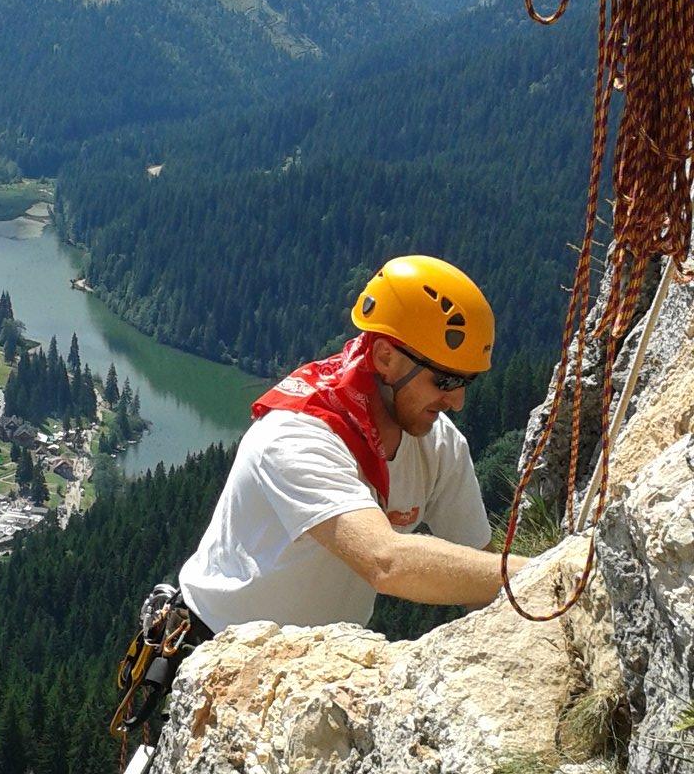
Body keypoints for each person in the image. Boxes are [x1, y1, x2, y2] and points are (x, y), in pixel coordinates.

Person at [178, 254, 526, 636]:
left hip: (324, 657)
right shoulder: (295, 434)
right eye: (444, 381)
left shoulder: (440, 445)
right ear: (385, 358)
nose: (457, 402)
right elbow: (385, 561)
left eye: (467, 382)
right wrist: (551, 570)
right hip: (218, 647)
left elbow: (483, 571)